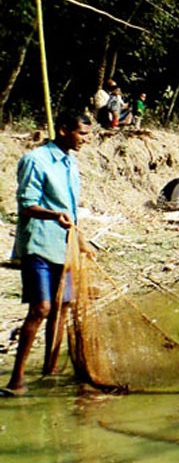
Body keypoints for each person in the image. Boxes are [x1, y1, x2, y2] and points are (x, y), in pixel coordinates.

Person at [5, 112, 94, 396]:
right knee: (41, 308)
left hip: (65, 247)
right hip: (39, 246)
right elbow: (27, 205)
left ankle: (50, 370)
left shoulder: (70, 163)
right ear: (65, 130)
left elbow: (72, 209)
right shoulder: (36, 160)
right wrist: (56, 215)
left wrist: (80, 239)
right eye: (82, 133)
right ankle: (16, 379)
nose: (86, 139)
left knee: (63, 306)